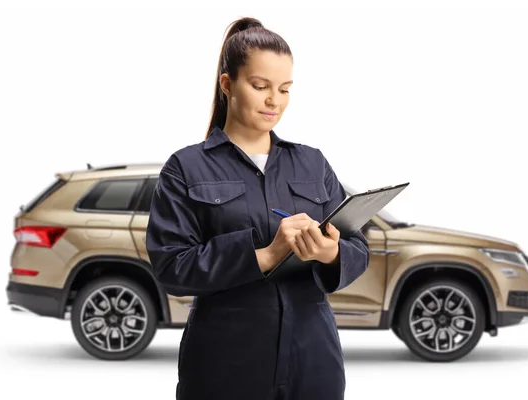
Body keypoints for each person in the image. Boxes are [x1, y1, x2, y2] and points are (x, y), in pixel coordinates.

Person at [146, 16, 370, 400]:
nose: (274, 101)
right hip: (225, 364)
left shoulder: (312, 163)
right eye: (260, 86)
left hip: (313, 359)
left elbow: (359, 249)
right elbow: (171, 267)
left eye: (284, 89)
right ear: (227, 85)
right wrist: (266, 255)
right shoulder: (187, 167)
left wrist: (331, 252)